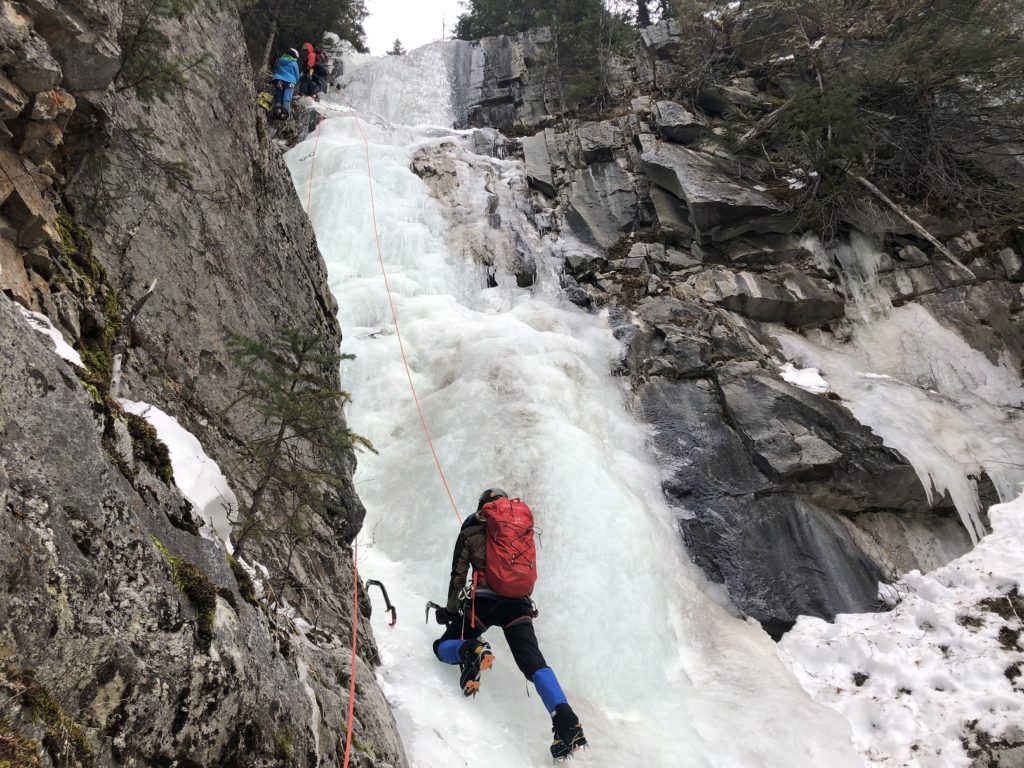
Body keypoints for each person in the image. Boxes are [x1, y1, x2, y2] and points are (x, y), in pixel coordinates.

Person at [431, 488, 588, 761]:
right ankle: (567, 721)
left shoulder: (472, 526)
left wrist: (450, 611)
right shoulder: (518, 526)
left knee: (442, 645)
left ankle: (471, 650)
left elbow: (458, 576)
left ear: (482, 507)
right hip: (518, 603)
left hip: (483, 603)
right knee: (534, 664)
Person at [270, 48, 300, 118]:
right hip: (290, 81)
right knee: (287, 97)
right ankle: (284, 114)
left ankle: (277, 111)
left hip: (278, 80)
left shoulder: (280, 60)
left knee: (279, 95)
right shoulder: (294, 63)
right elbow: (297, 75)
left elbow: (276, 70)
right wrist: (295, 80)